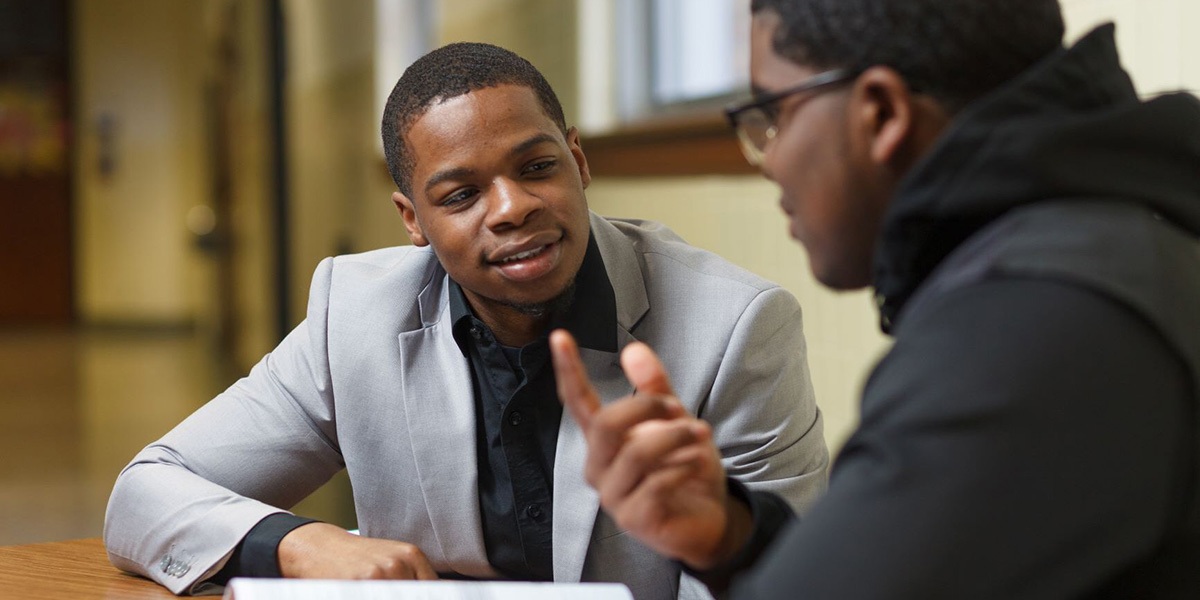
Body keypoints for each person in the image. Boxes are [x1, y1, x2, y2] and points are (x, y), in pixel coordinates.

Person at [102, 42, 828, 598]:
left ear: (577, 160)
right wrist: (298, 544)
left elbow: (798, 578)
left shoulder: (735, 328)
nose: (511, 207)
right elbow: (145, 493)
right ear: (412, 220)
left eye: (538, 167)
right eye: (460, 194)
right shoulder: (354, 315)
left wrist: (717, 530)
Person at [551, 0, 1200, 597]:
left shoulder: (1037, 319)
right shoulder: (1108, 241)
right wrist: (735, 538)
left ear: (882, 113)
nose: (767, 159)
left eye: (773, 114)